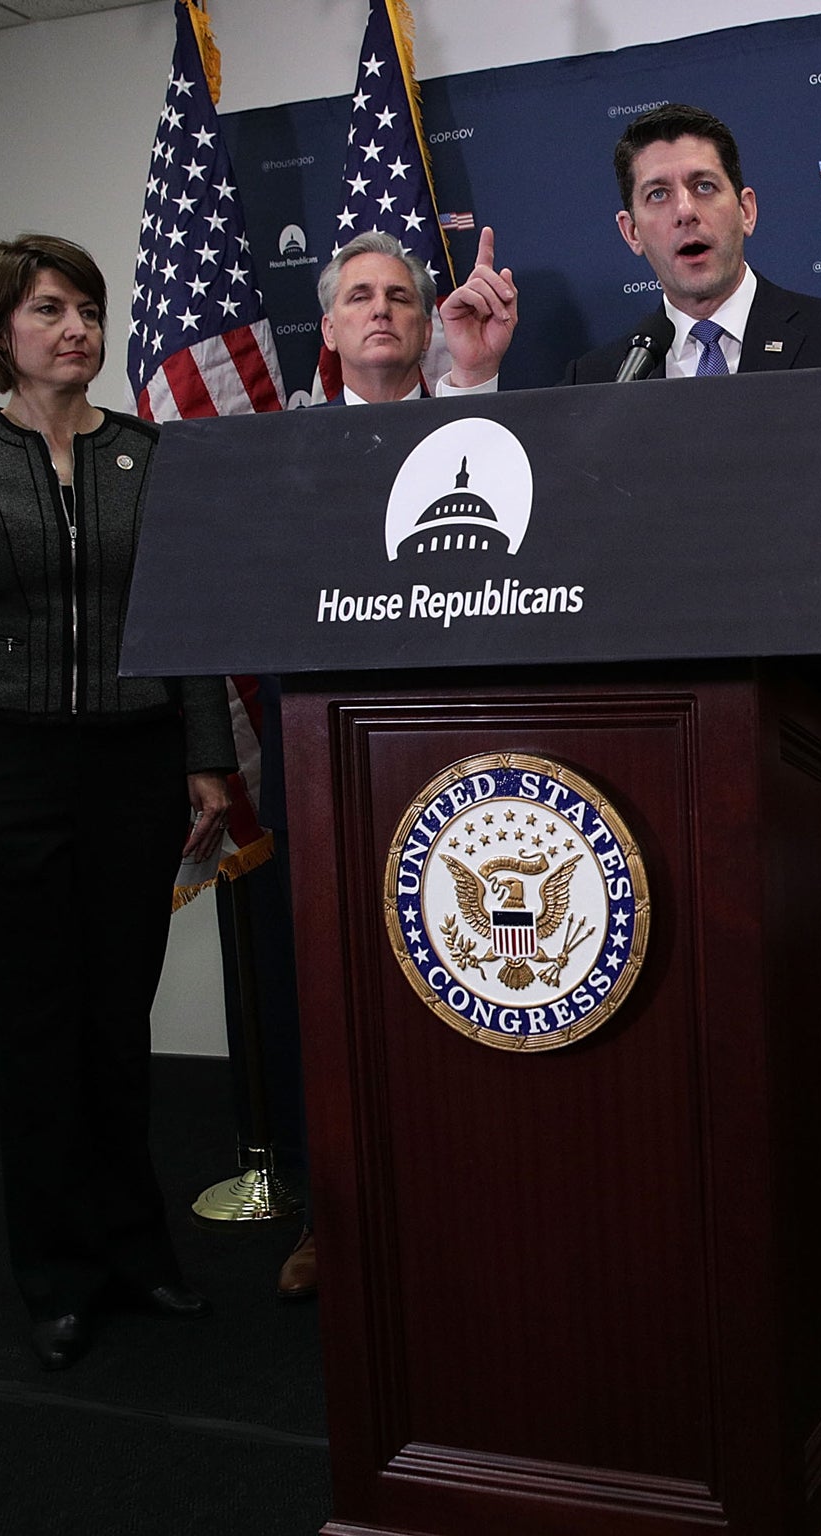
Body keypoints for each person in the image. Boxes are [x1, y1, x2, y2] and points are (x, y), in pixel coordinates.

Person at [0, 234, 237, 1370]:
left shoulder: (152, 453)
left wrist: (204, 758)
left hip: (133, 771)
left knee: (113, 1026)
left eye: (89, 308)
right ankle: (53, 1276)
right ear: (1, 333)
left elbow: (189, 618)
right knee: (36, 1036)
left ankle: (138, 1256)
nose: (78, 327)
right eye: (50, 309)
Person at [560, 103, 821, 833]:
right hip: (650, 750)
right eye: (658, 195)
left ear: (745, 207)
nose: (685, 211)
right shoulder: (604, 377)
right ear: (631, 232)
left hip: (820, 733)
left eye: (705, 187)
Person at [263, 225, 520, 1301]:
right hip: (324, 759)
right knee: (333, 992)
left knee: (467, 975)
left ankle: (476, 1206)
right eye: (358, 297)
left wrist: (482, 381)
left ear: (425, 323)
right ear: (325, 328)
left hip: (462, 747)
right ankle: (340, 1220)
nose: (381, 310)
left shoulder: (484, 423)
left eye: (401, 298)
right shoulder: (282, 454)